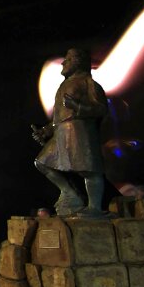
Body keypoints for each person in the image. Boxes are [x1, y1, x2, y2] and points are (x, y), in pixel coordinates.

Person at [31, 47, 109, 218]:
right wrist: (46, 130)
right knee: (42, 163)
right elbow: (60, 116)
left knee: (88, 170)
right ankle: (70, 194)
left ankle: (94, 207)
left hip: (80, 131)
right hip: (61, 132)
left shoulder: (89, 84)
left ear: (79, 61)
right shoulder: (64, 85)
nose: (64, 62)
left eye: (69, 58)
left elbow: (101, 109)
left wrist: (78, 107)